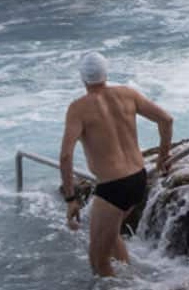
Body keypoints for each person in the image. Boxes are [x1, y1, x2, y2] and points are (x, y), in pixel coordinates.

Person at [59, 51, 174, 277]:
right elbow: (166, 119)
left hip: (113, 187)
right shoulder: (127, 94)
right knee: (111, 236)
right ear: (105, 73)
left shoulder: (78, 108)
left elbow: (65, 156)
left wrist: (71, 199)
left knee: (97, 260)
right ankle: (129, 280)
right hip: (138, 178)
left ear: (82, 77)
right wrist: (163, 155)